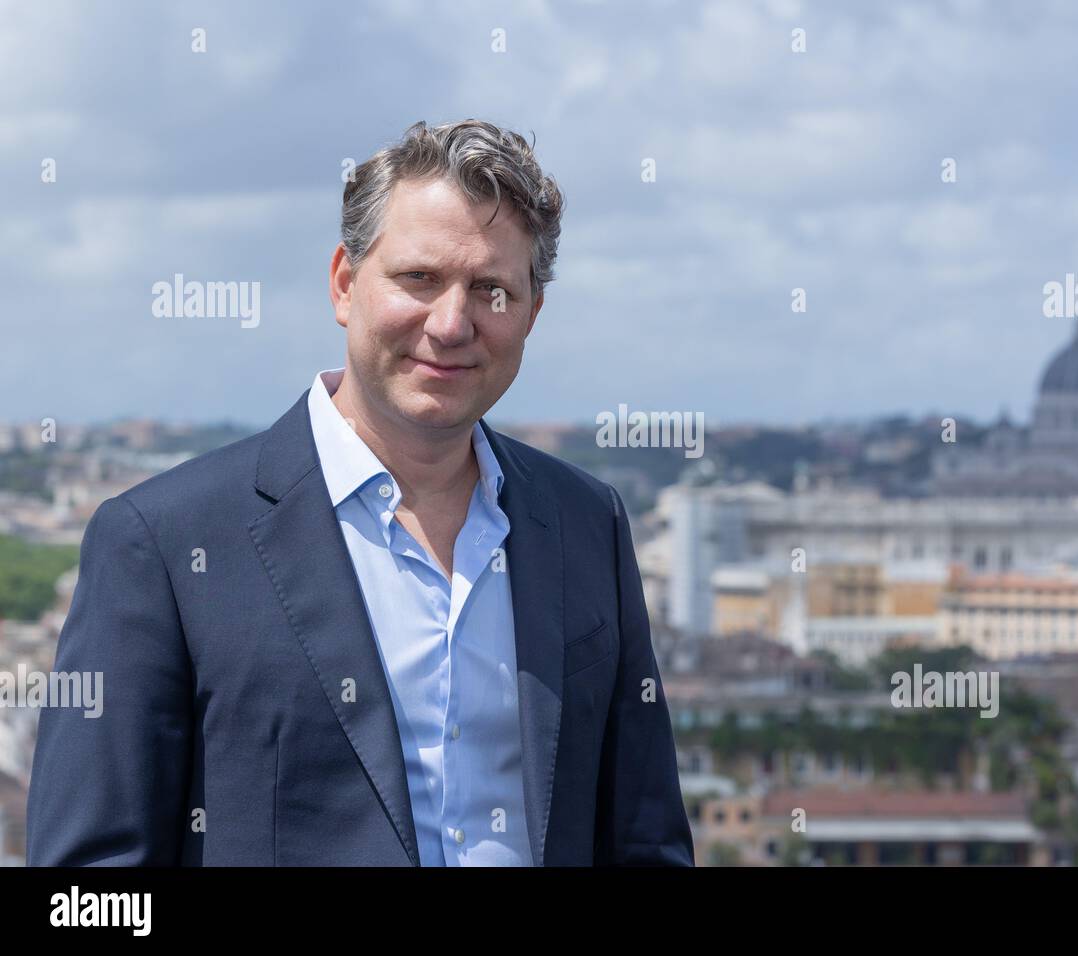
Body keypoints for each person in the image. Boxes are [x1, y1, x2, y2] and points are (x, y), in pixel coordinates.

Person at [26, 119, 694, 867]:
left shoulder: (585, 524)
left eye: (492, 290)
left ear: (532, 313)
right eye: (419, 279)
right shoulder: (165, 542)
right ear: (345, 284)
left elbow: (645, 840)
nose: (451, 323)